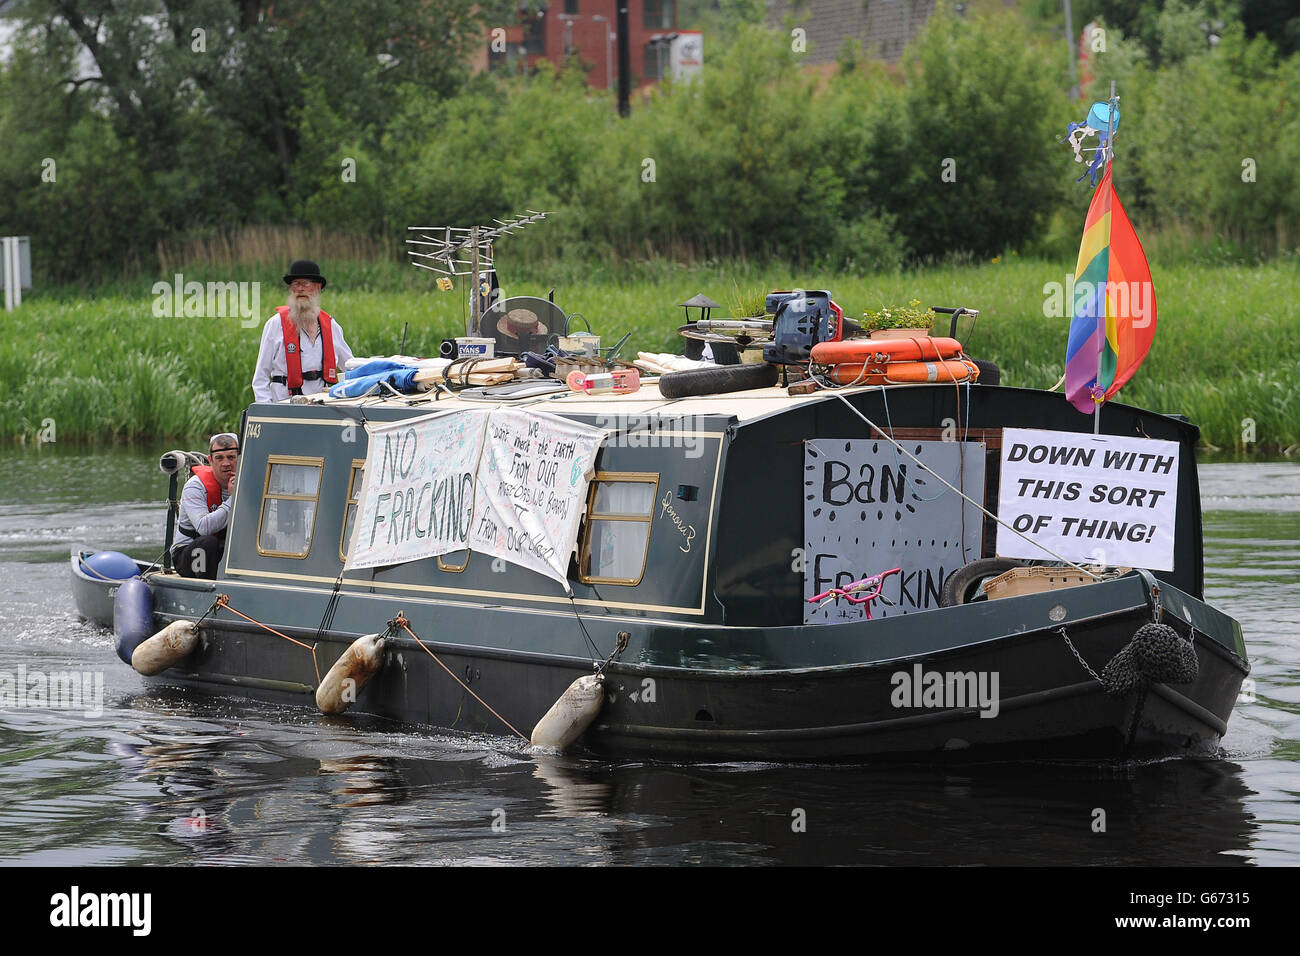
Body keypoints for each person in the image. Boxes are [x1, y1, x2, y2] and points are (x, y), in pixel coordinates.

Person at [252, 259, 355, 402]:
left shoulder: (331, 326)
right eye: (296, 284)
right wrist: (267, 412)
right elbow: (260, 377)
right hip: (284, 407)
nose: (300, 289)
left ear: (318, 287)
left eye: (305, 284)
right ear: (291, 289)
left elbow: (350, 367)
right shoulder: (275, 324)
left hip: (322, 407)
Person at [173, 433, 239, 579]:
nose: (226, 463)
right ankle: (205, 588)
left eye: (231, 457)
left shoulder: (247, 483)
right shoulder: (195, 486)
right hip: (189, 554)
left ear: (239, 458)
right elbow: (204, 528)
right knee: (207, 543)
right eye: (220, 458)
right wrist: (234, 498)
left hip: (225, 551)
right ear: (211, 460)